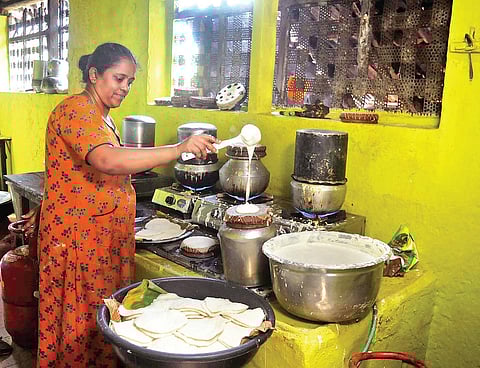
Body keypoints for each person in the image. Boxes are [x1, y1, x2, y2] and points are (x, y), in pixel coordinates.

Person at [30, 42, 216, 367]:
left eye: (129, 81)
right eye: (119, 79)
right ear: (94, 74)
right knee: (79, 324)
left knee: (103, 320)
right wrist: (178, 148)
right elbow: (107, 159)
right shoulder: (75, 110)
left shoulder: (103, 117)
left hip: (101, 238)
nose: (125, 88)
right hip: (78, 242)